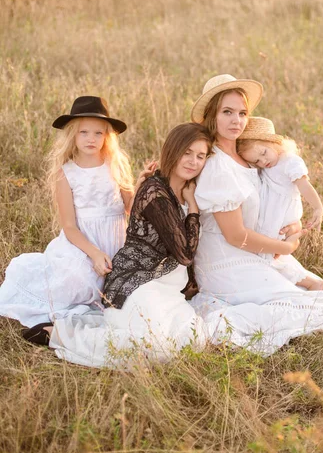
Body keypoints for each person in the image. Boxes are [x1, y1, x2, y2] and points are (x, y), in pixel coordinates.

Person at [23, 123, 214, 367]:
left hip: (165, 288)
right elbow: (185, 254)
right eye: (187, 152)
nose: (193, 161)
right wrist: (194, 210)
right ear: (173, 150)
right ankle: (60, 335)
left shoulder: (186, 188)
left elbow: (129, 205)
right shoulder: (156, 192)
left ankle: (92, 324)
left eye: (200, 156)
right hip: (136, 283)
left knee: (191, 342)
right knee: (154, 349)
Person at [190, 74, 323, 356]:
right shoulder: (218, 165)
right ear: (212, 116)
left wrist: (291, 224)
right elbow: (235, 235)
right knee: (303, 308)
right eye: (227, 112)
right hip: (225, 259)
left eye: (242, 113)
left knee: (318, 290)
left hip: (251, 251)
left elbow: (273, 198)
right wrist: (287, 246)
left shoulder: (247, 158)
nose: (236, 120)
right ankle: (219, 322)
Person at [0, 96, 138, 327]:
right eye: (84, 132)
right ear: (73, 134)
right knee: (80, 282)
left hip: (116, 241)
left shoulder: (115, 165)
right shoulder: (66, 172)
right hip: (83, 244)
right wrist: (94, 253)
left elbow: (130, 208)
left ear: (107, 136)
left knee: (123, 287)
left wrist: (142, 184)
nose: (91, 139)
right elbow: (70, 227)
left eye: (98, 133)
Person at [237, 116, 323, 291]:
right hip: (268, 217)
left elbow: (304, 186)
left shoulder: (289, 162)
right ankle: (275, 282)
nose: (263, 162)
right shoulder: (265, 167)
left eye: (263, 153)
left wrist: (318, 207)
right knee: (266, 256)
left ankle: (295, 285)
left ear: (274, 143)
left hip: (282, 216)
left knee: (271, 256)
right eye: (256, 161)